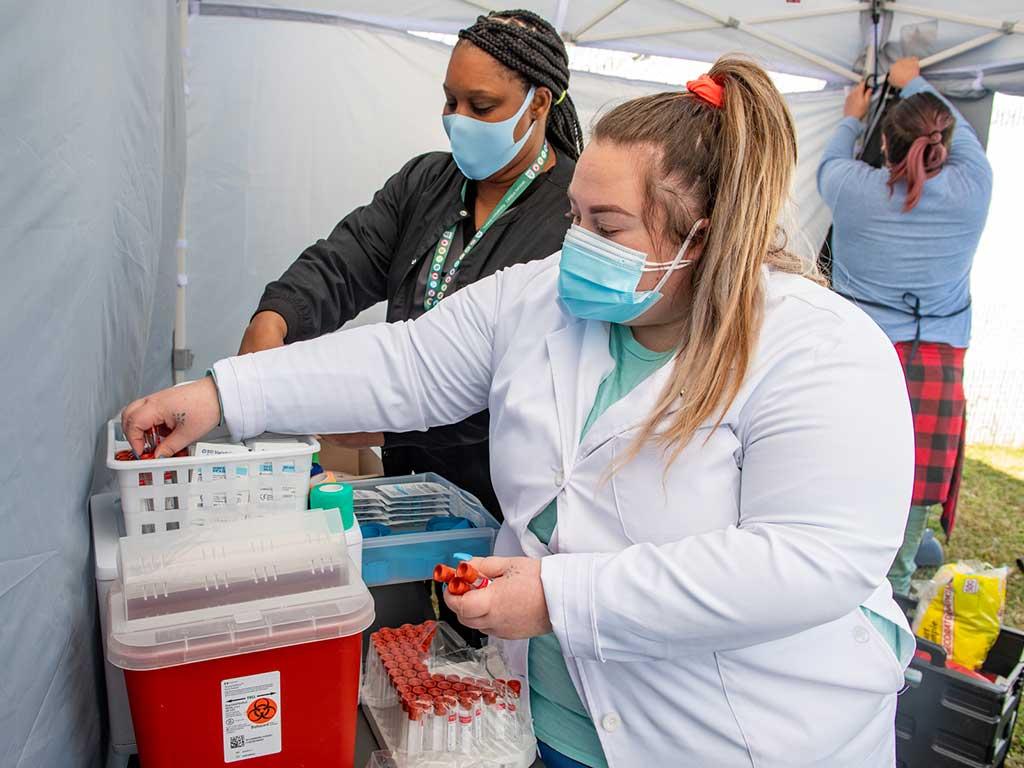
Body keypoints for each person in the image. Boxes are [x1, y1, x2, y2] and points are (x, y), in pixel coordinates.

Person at [122, 57, 916, 766]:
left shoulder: (821, 350)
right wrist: (223, 395)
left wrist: (559, 597)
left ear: (701, 238)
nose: (576, 244)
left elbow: (808, 562)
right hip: (552, 723)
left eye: (605, 226)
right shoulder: (545, 298)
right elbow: (406, 362)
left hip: (738, 733)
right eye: (574, 215)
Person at [238, 10, 584, 518]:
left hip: (508, 502)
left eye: (481, 106)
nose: (458, 118)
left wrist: (390, 422)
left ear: (537, 105)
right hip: (410, 487)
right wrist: (277, 316)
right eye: (450, 100)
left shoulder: (575, 214)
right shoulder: (427, 182)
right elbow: (344, 261)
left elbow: (544, 382)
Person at [817, 57, 993, 596]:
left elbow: (828, 159)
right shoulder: (973, 188)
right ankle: (890, 588)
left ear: (886, 148)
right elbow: (959, 136)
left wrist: (854, 115)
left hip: (860, 350)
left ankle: (831, 574)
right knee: (912, 488)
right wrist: (912, 81)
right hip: (936, 358)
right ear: (942, 145)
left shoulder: (850, 188)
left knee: (842, 469)